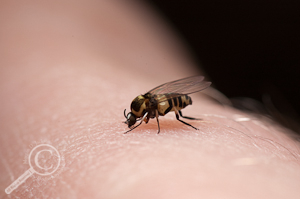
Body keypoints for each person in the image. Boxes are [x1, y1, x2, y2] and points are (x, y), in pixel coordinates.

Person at [1, 1, 299, 198]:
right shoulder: (143, 106)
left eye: (136, 117)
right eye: (135, 118)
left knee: (174, 110)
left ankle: (184, 118)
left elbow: (166, 100)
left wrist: (168, 118)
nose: (136, 119)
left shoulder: (152, 106)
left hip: (176, 96)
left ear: (142, 110)